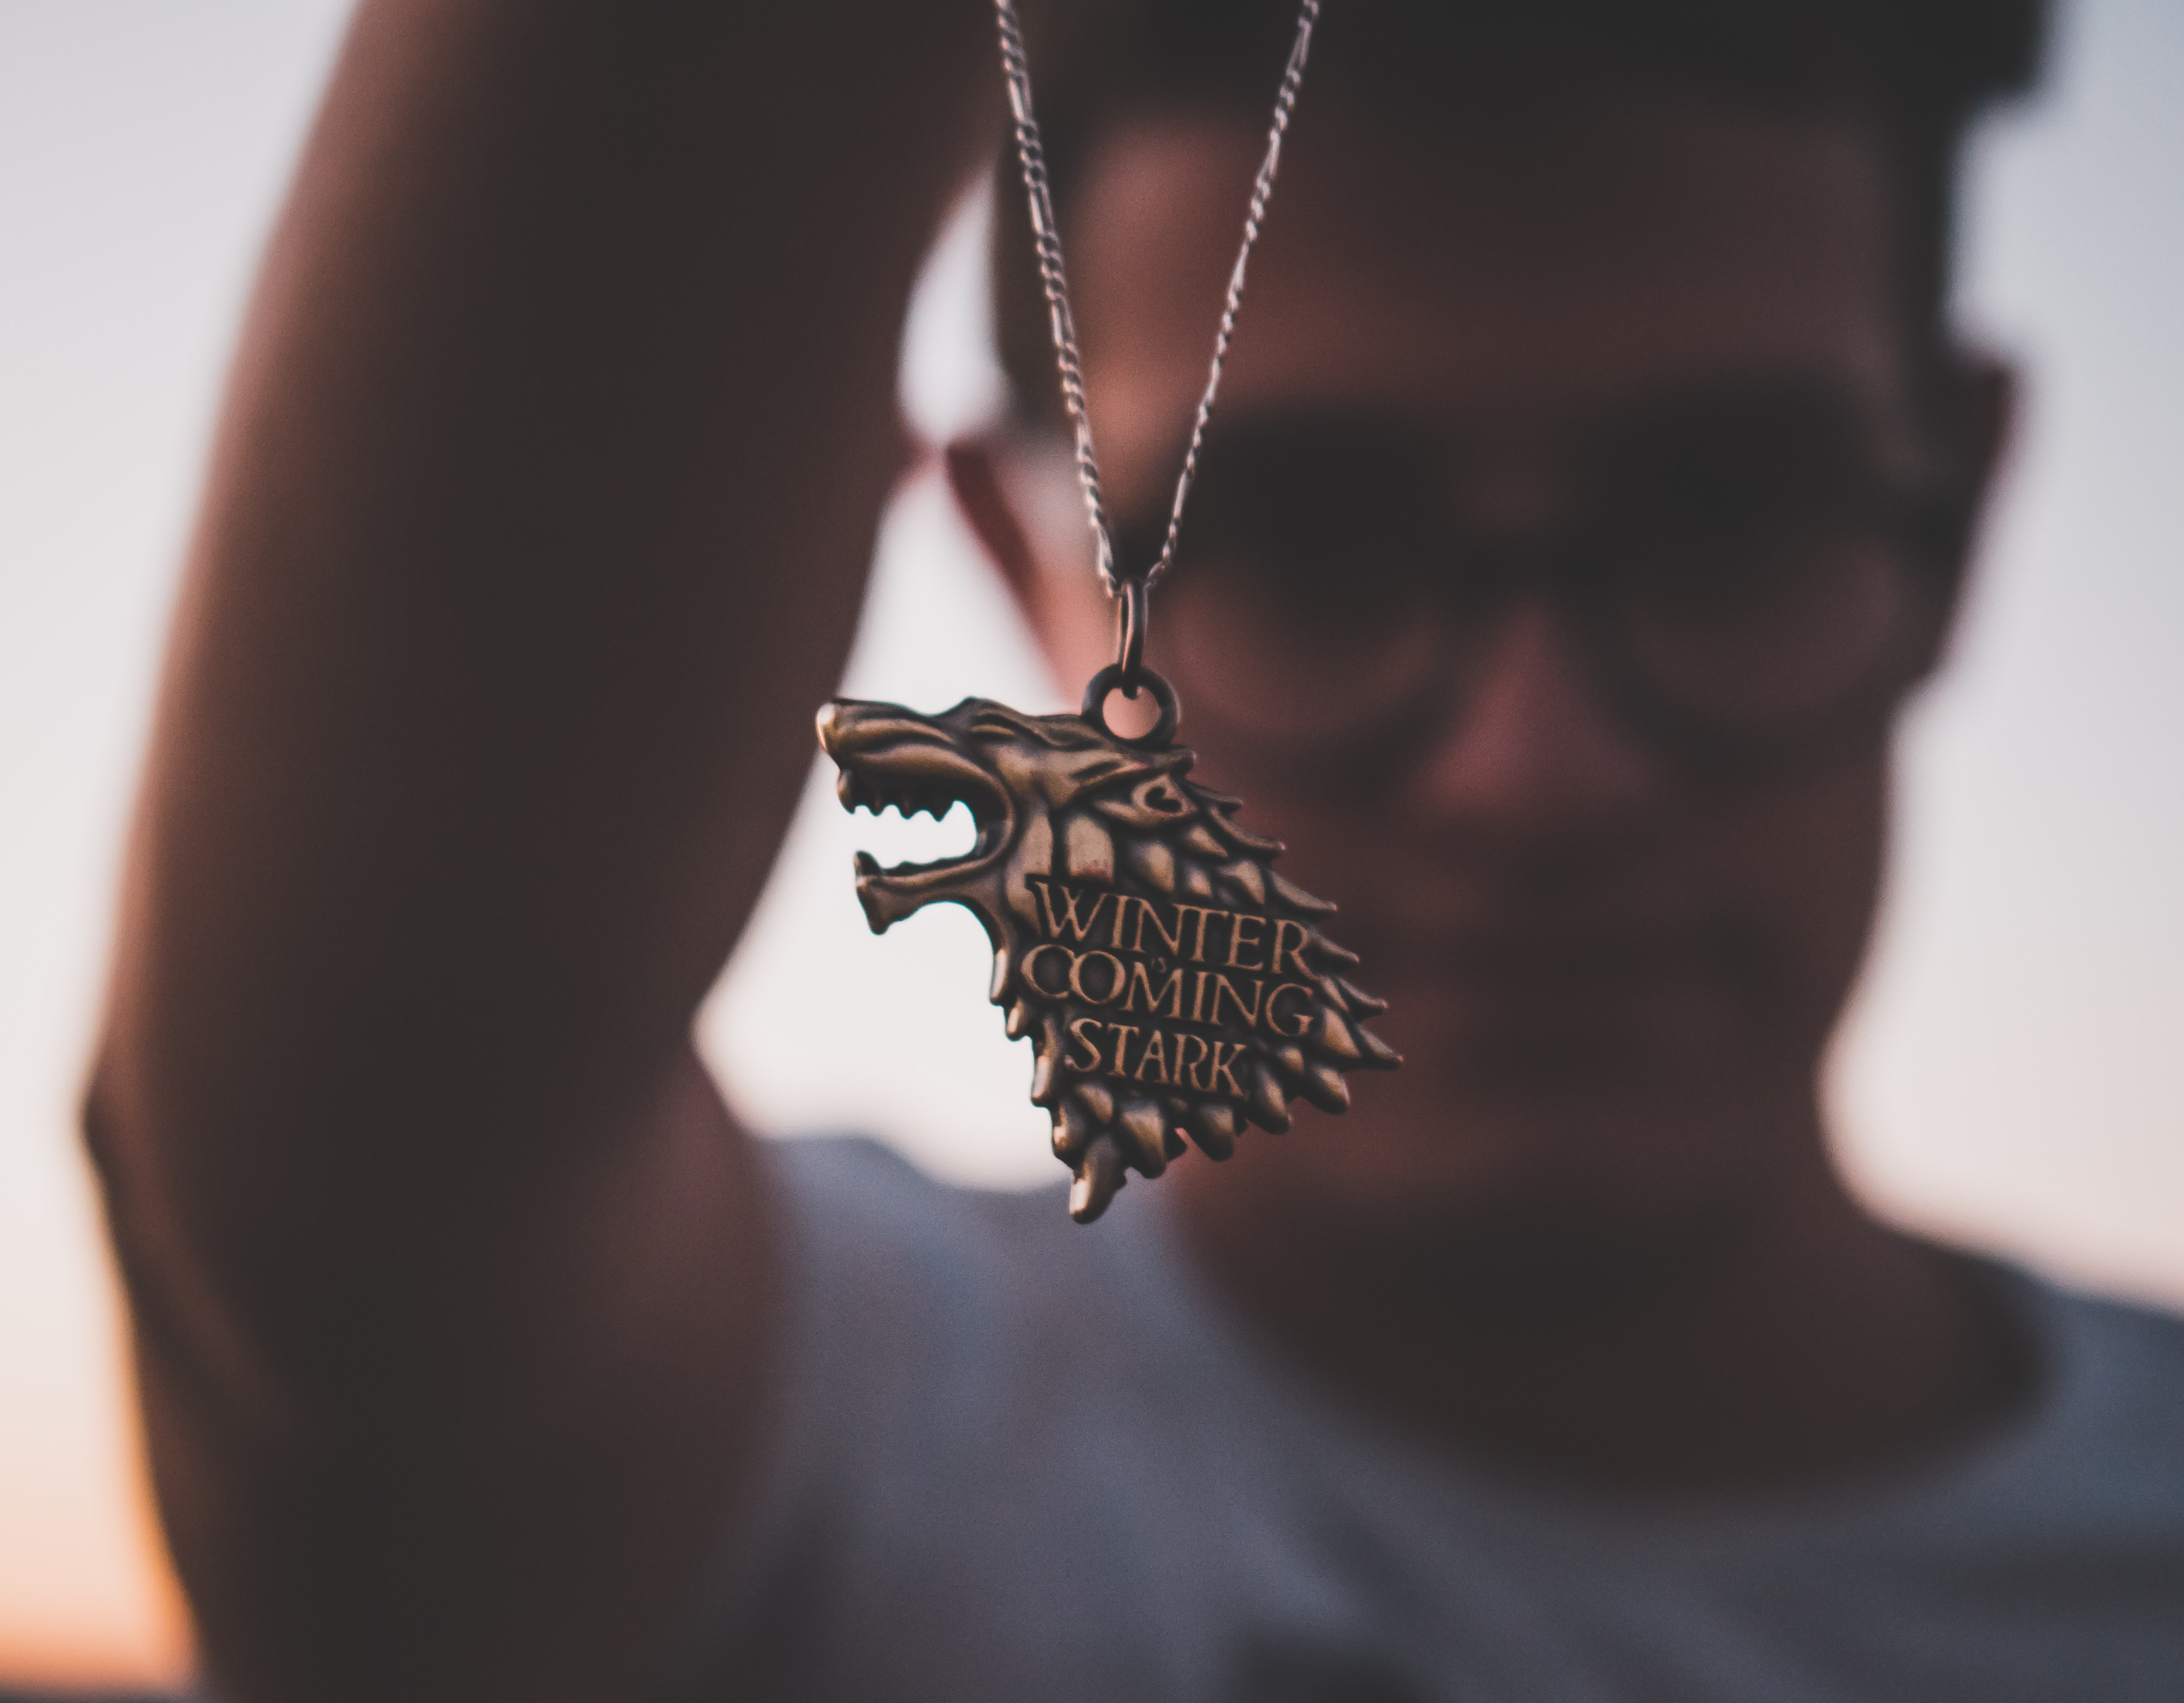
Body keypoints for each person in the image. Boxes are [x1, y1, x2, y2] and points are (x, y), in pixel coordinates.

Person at [84, 0, 2184, 1698]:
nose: (1530, 776)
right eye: (1302, 544)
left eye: (1729, 522)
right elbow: (337, 1187)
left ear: (1965, 504)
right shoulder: (812, 1459)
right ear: (1022, 568)